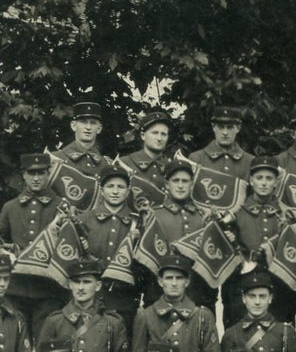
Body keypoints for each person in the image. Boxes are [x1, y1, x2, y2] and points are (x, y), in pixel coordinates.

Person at [34, 256, 131, 352]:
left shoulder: (112, 322)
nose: (80, 287)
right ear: (69, 285)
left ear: (98, 286)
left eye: (86, 282)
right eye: (76, 282)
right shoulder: (55, 321)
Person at [219, 157, 296, 326]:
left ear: (276, 182)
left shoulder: (288, 214)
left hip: (277, 283)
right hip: (244, 283)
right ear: (251, 181)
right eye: (259, 178)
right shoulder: (237, 212)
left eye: (269, 178)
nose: (264, 183)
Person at [130, 254, 221, 352]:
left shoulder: (202, 316)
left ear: (187, 282)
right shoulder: (146, 316)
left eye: (179, 278)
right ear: (160, 281)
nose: (173, 283)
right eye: (168, 278)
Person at [0, 152, 66, 333]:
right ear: (23, 175)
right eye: (31, 173)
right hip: (16, 287)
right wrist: (8, 249)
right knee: (16, 339)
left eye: (41, 173)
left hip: (48, 288)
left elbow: (68, 244)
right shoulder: (10, 207)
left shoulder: (61, 206)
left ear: (48, 174)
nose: (36, 178)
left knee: (46, 342)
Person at [143, 157, 218, 307]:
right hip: (161, 295)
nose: (180, 186)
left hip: (198, 293)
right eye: (175, 181)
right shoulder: (154, 215)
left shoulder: (203, 216)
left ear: (192, 184)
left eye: (185, 181)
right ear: (166, 184)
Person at [74, 162, 142, 327]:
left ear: (127, 192)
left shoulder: (138, 222)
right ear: (102, 190)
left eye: (121, 187)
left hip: (124, 298)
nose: (115, 191)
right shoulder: (84, 219)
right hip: (91, 297)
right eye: (110, 186)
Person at [119, 108, 172, 213]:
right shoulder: (125, 163)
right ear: (143, 135)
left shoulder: (171, 167)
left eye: (163, 134)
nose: (159, 138)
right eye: (155, 133)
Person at [187, 105, 253, 183]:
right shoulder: (197, 158)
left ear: (238, 128)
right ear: (213, 127)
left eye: (230, 127)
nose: (225, 133)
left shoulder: (249, 161)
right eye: (221, 127)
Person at [56, 100, 108, 176]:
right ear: (73, 126)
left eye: (93, 123)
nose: (88, 127)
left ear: (99, 128)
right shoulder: (56, 159)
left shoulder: (106, 164)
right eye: (83, 122)